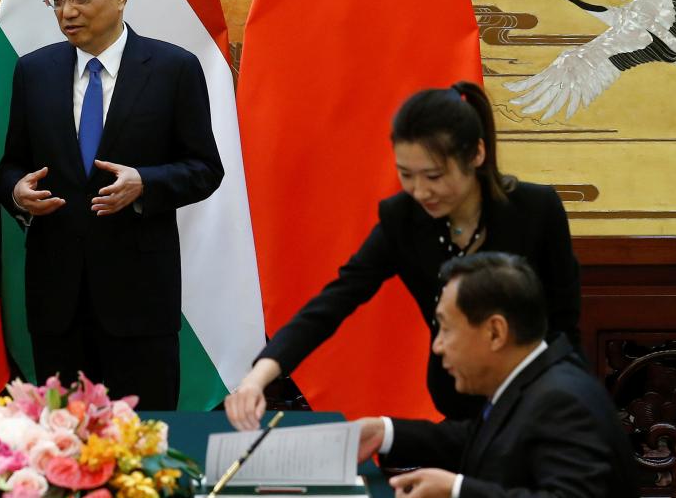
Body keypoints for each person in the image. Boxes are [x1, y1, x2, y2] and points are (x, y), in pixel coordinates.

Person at [226, 81, 581, 427]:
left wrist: (549, 399)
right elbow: (334, 302)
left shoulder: (536, 209)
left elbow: (564, 319)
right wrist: (260, 375)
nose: (420, 191)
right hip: (456, 395)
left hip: (539, 398)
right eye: (406, 175)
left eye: (434, 175)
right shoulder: (404, 219)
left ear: (476, 154)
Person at [0, 0, 223, 411]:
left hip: (139, 298)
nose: (67, 11)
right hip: (57, 301)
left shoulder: (172, 68)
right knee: (61, 444)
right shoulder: (34, 71)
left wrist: (146, 183)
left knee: (143, 444)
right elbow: (11, 166)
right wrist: (17, 192)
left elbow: (205, 169)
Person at [354, 253, 637, 498]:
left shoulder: (562, 400)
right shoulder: (535, 377)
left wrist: (457, 491)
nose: (438, 346)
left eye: (446, 329)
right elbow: (484, 440)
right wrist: (385, 432)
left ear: (495, 332)